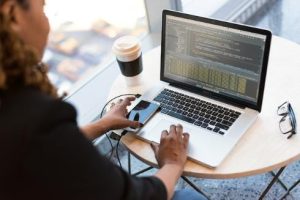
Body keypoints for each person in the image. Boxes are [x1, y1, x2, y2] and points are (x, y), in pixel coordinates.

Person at [0, 0, 206, 199]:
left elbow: (42, 147)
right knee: (189, 197)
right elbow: (137, 196)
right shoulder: (38, 117)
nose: (47, 23)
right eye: (43, 8)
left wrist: (102, 124)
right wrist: (172, 163)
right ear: (13, 15)